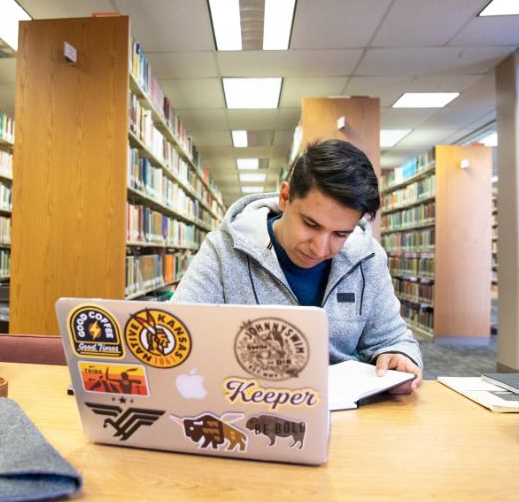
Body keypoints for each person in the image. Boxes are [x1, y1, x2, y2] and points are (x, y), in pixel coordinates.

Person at [172, 139, 422, 392]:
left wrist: (400, 358)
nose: (320, 248)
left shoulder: (368, 258)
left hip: (347, 413)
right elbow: (177, 332)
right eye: (311, 225)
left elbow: (393, 339)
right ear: (285, 197)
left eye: (340, 234)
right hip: (247, 402)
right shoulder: (222, 250)